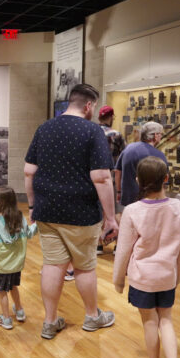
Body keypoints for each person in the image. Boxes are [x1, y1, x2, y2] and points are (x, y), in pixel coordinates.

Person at [24, 83, 118, 340]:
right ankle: (92, 316)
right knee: (85, 267)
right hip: (81, 211)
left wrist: (32, 206)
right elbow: (101, 178)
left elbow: (29, 172)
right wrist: (111, 217)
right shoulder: (93, 131)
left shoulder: (44, 128)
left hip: (47, 210)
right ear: (89, 105)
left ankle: (50, 321)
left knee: (53, 265)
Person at [113, 156, 180, 358]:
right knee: (166, 320)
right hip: (167, 275)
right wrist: (179, 275)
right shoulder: (178, 207)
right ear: (166, 178)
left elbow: (122, 250)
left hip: (143, 277)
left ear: (137, 181)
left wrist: (118, 279)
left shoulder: (133, 211)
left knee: (149, 322)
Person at [0, 186, 38, 329]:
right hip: (16, 264)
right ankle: (20, 311)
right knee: (13, 286)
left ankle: (6, 319)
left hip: (1, 265)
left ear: (1, 202)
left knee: (2, 291)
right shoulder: (19, 217)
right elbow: (29, 234)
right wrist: (37, 224)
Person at [114, 122, 167, 207]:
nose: (161, 137)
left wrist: (119, 192)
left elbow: (117, 171)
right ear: (156, 135)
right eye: (161, 134)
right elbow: (162, 182)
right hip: (147, 202)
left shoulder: (128, 148)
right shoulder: (159, 155)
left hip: (128, 199)